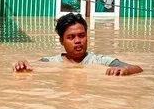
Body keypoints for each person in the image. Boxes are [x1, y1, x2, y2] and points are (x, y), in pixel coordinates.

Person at [13, 13, 143, 76]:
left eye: (82, 36)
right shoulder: (49, 61)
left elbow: (137, 68)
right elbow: (31, 67)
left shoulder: (100, 60)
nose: (77, 41)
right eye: (71, 37)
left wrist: (126, 70)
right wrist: (21, 65)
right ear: (61, 40)